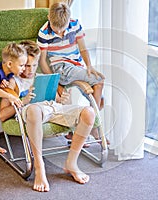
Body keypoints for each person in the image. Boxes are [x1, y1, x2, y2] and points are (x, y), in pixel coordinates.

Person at [0, 40, 94, 192]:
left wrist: (60, 99)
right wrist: (23, 101)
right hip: (31, 111)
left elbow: (55, 100)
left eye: (34, 65)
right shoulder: (12, 82)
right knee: (34, 110)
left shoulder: (42, 78)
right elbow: (3, 115)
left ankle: (72, 163)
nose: (30, 70)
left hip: (52, 108)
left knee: (89, 112)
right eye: (26, 66)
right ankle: (39, 167)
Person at [37, 2, 108, 143]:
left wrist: (89, 66)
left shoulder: (75, 25)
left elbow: (83, 48)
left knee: (100, 99)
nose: (58, 32)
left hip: (76, 66)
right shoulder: (44, 32)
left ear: (68, 21)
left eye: (61, 29)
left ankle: (78, 130)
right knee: (99, 81)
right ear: (48, 18)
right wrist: (55, 81)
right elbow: (42, 61)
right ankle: (94, 126)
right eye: (55, 28)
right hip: (61, 67)